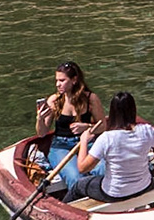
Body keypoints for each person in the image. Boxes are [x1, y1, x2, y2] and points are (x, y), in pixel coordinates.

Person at [71, 91, 154, 202]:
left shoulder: (107, 138)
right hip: (143, 187)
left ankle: (63, 212)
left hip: (116, 194)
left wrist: (84, 141)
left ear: (112, 112)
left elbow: (82, 168)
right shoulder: (147, 130)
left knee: (79, 185)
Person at [36, 61, 106, 195]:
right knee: (76, 178)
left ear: (74, 80)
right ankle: (87, 206)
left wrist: (87, 127)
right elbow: (41, 133)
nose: (58, 84)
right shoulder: (54, 100)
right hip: (61, 147)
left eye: (62, 80)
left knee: (104, 169)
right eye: (57, 80)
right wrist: (39, 119)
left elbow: (102, 126)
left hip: (88, 143)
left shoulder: (90, 98)